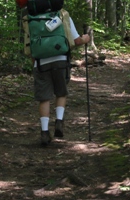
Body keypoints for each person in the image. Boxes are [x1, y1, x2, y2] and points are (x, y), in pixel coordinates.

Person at [32, 9, 91, 146]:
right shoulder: (62, 15)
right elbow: (76, 41)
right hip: (60, 60)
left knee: (44, 98)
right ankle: (59, 121)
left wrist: (34, 63)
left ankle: (45, 132)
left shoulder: (33, 18)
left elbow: (30, 45)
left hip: (40, 62)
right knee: (61, 92)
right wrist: (85, 39)